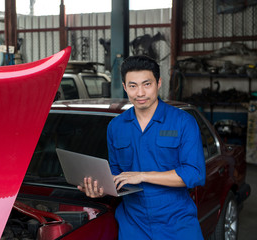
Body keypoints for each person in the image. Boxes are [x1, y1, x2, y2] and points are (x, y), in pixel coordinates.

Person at [78, 55, 206, 239]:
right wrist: (99, 189)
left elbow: (195, 174)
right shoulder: (116, 127)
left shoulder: (183, 122)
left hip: (177, 223)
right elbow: (116, 175)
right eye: (133, 86)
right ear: (124, 87)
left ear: (159, 83)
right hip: (133, 225)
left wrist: (142, 176)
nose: (140, 93)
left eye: (147, 84)